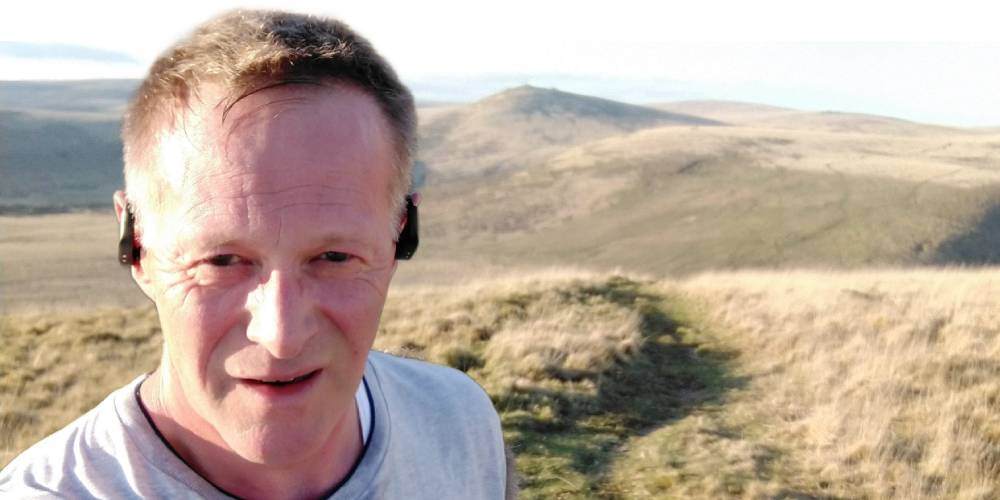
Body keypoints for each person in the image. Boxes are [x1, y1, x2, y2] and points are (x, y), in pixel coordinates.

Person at [0, 9, 512, 499]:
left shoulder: (458, 421)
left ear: (400, 235)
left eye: (333, 257)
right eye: (221, 261)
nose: (281, 335)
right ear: (137, 247)